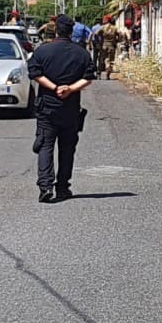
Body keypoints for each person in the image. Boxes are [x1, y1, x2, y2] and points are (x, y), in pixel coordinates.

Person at [27, 15, 96, 204]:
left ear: (56, 30)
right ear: (71, 31)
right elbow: (89, 77)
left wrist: (54, 87)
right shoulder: (81, 53)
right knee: (67, 149)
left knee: (45, 146)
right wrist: (70, 89)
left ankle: (45, 186)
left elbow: (35, 73)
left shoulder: (43, 51)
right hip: (70, 108)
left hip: (47, 107)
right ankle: (63, 187)